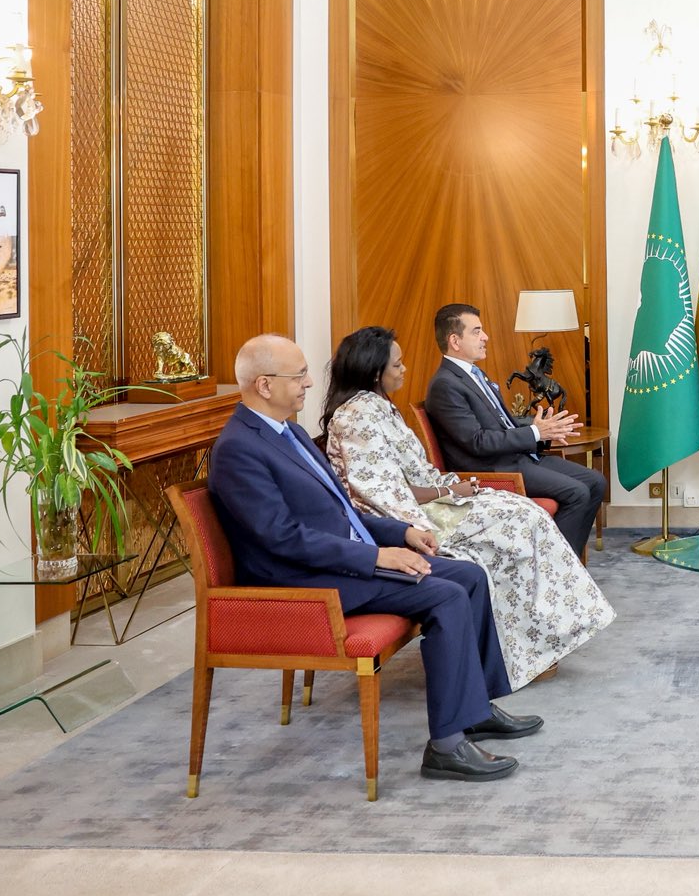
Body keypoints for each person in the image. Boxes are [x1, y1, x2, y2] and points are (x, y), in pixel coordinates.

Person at [206, 334, 541, 784]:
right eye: (299, 375)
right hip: (305, 581)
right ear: (264, 385)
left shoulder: (291, 433)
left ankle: (473, 710)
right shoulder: (238, 448)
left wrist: (401, 533)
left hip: (339, 560)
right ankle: (446, 747)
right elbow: (283, 539)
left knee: (470, 576)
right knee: (445, 596)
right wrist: (378, 557)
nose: (309, 383)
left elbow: (342, 512)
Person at [322, 326, 615, 689]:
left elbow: (412, 473)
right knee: (519, 524)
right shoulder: (357, 417)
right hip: (407, 518)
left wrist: (450, 487)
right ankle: (522, 645)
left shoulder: (379, 407)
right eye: (397, 364)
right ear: (373, 372)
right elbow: (384, 493)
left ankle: (543, 633)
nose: (404, 369)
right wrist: (446, 492)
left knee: (528, 514)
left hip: (435, 497)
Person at [424, 303, 606, 558]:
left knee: (596, 481)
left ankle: (567, 563)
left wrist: (544, 428)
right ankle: (555, 567)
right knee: (577, 493)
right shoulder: (445, 385)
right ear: (455, 341)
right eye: (476, 331)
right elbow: (477, 442)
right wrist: (535, 433)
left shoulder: (474, 374)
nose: (485, 337)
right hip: (492, 468)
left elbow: (502, 423)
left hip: (517, 457)